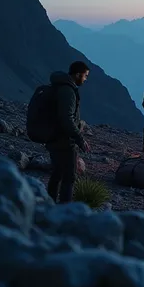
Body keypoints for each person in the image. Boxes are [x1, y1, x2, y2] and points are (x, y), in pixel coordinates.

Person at [46, 61, 91, 203]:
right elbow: (66, 118)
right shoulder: (68, 91)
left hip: (54, 137)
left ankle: (49, 205)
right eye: (85, 76)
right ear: (78, 74)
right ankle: (65, 211)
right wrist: (79, 138)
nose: (85, 79)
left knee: (57, 173)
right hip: (64, 140)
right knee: (69, 177)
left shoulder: (60, 86)